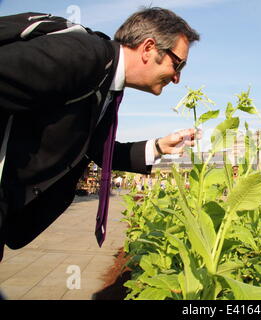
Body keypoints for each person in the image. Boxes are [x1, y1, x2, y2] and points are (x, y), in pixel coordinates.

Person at [0, 7, 201, 260]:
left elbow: (98, 150)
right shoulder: (82, 56)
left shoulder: (107, 81)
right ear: (149, 48)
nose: (177, 78)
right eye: (178, 63)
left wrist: (159, 146)